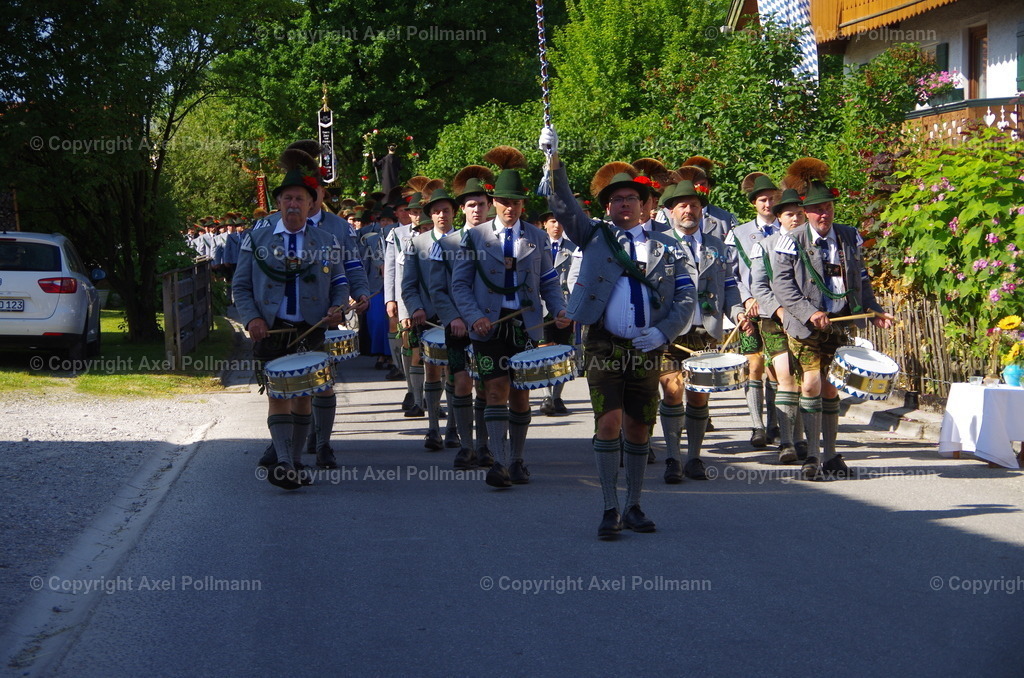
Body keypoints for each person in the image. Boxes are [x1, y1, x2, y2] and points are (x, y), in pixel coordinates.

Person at [541, 127, 696, 538]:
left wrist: (663, 333)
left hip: (647, 346)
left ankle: (634, 506)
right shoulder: (594, 235)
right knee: (607, 422)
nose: (621, 204)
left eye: (629, 198)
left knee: (639, 427)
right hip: (603, 344)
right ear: (606, 207)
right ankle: (609, 508)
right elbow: (562, 203)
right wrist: (553, 159)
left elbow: (685, 297)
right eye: (614, 199)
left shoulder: (668, 245)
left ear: (646, 205)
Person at [450, 147, 569, 489]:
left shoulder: (537, 237)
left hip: (526, 325)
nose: (509, 207)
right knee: (495, 388)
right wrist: (473, 317)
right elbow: (459, 284)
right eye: (504, 201)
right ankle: (499, 462)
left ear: (522, 205)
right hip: (488, 326)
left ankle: (517, 460)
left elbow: (548, 281)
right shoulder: (474, 237)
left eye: (515, 202)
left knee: (521, 393)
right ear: (494, 201)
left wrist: (558, 309)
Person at [769, 158, 895, 479]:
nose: (823, 214)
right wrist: (809, 312)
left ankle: (831, 455)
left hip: (839, 324)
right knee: (810, 384)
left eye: (827, 208)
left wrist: (874, 309)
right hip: (805, 326)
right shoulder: (790, 239)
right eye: (817, 210)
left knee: (831, 388)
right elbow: (782, 284)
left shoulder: (849, 236)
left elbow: (861, 279)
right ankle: (811, 455)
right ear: (806, 212)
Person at [233, 165, 353, 490]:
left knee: (303, 397)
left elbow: (340, 282)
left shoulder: (326, 240)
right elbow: (240, 286)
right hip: (271, 329)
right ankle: (285, 461)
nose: (293, 205)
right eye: (287, 198)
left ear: (311, 203)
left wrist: (337, 307)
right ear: (279, 203)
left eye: (300, 198)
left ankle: (295, 460)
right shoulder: (255, 238)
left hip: (311, 329)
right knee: (277, 395)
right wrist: (252, 319)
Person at [255, 145, 370, 469]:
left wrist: (357, 294)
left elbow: (353, 266)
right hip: (283, 321)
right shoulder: (268, 227)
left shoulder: (338, 228)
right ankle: (285, 450)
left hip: (324, 316)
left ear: (319, 192)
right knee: (283, 385)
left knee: (322, 383)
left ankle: (321, 444)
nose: (309, 195)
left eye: (315, 189)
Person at [656, 181, 747, 484]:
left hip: (705, 330)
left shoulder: (717, 246)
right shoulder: (657, 243)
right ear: (670, 211)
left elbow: (729, 285)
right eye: (682, 205)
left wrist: (738, 312)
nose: (689, 210)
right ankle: (672, 458)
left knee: (698, 397)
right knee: (672, 392)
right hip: (669, 330)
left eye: (694, 205)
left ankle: (694, 457)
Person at [431, 167, 496, 469]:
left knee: (486, 384)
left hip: (490, 325)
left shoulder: (499, 240)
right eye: (471, 205)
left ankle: (484, 445)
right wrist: (453, 317)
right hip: (457, 326)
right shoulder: (445, 244)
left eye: (481, 204)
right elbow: (438, 289)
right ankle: (465, 446)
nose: (476, 210)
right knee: (461, 383)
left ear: (489, 205)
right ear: (462, 209)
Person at [749, 188, 809, 463]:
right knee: (785, 376)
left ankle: (800, 438)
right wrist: (780, 310)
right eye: (789, 215)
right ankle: (786, 442)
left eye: (799, 214)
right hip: (773, 320)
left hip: (807, 320)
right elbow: (759, 286)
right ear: (779, 218)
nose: (795, 219)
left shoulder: (813, 242)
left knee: (806, 380)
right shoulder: (764, 245)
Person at [725, 173, 781, 448]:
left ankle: (775, 424)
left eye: (772, 198)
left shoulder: (790, 230)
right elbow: (731, 274)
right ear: (754, 203)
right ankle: (757, 425)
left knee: (777, 368)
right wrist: (746, 300)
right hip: (751, 311)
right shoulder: (738, 234)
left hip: (780, 311)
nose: (768, 204)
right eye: (762, 199)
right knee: (754, 365)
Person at [402, 188, 461, 451]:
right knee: (432, 371)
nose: (441, 215)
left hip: (458, 318)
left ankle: (453, 429)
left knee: (456, 373)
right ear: (430, 215)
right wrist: (415, 308)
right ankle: (433, 428)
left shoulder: (466, 241)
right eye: (436, 211)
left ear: (453, 213)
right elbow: (408, 285)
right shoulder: (417, 244)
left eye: (446, 210)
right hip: (427, 318)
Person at [537, 211, 576, 416]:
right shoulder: (537, 246)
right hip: (542, 306)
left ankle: (557, 396)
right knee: (544, 350)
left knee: (562, 352)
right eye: (552, 221)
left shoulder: (572, 248)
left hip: (565, 306)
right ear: (545, 224)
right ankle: (546, 394)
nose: (556, 225)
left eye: (560, 221)